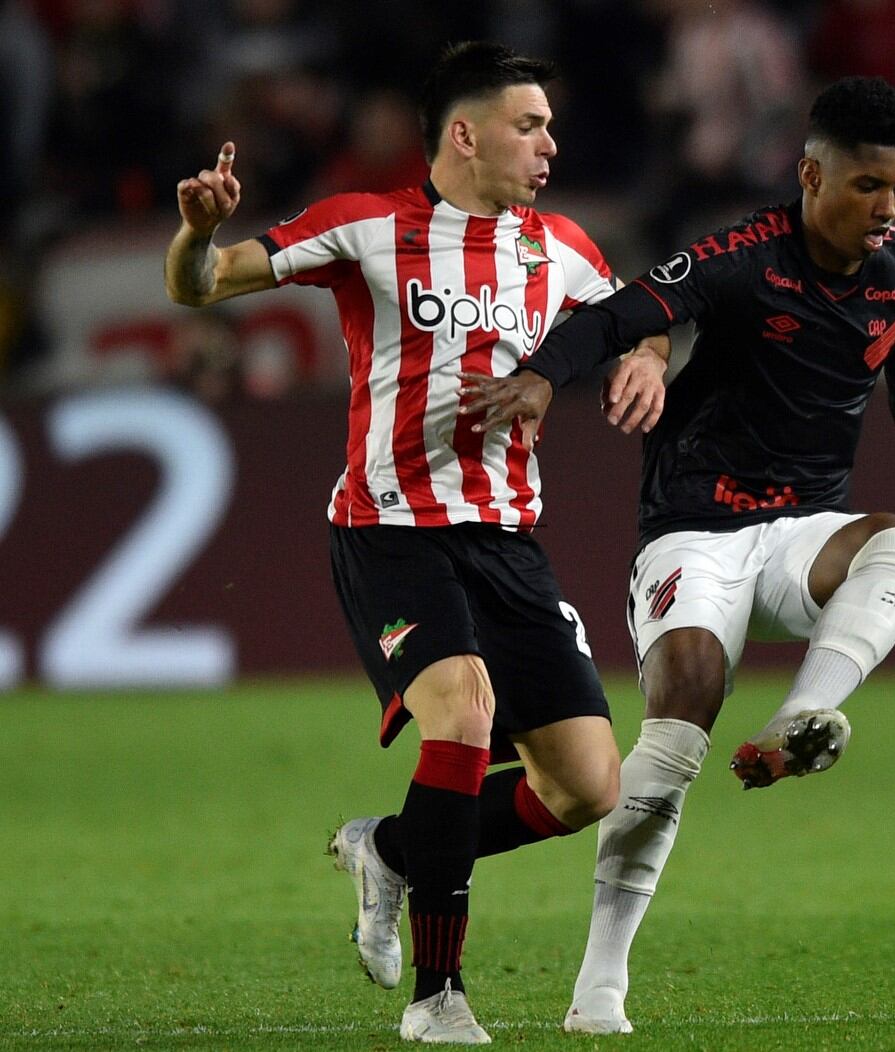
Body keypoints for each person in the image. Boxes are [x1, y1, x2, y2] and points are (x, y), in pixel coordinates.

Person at [460, 75, 895, 1034]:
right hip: (693, 533)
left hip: (803, 535)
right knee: (672, 745)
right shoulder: (740, 257)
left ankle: (804, 720)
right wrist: (545, 378)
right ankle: (598, 989)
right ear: (809, 176)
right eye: (865, 187)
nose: (885, 209)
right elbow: (619, 312)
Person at [164, 42, 668, 1045]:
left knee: (585, 784)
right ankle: (438, 995)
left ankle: (391, 848)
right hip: (391, 531)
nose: (549, 145)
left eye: (551, 126)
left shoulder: (558, 246)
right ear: (466, 134)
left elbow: (638, 319)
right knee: (465, 713)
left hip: (509, 543)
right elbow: (201, 286)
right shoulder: (367, 227)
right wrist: (196, 234)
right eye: (530, 125)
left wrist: (647, 361)